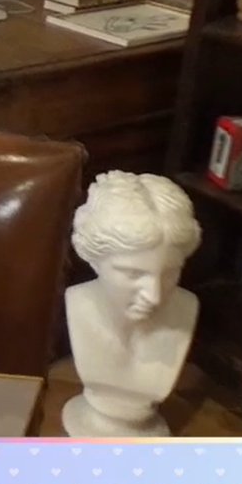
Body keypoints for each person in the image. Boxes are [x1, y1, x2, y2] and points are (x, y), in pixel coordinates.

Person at [63, 171, 202, 436]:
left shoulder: (186, 307)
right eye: (133, 274)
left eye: (170, 273)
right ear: (93, 260)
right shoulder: (77, 302)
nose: (154, 296)